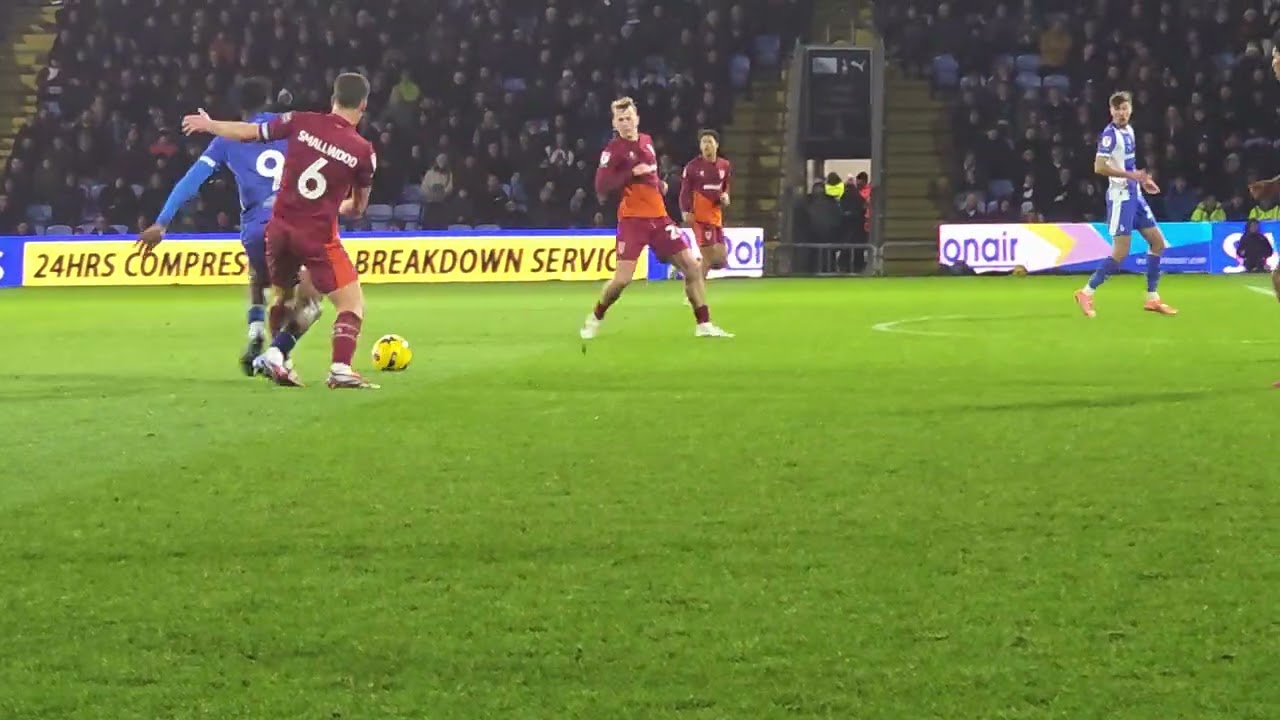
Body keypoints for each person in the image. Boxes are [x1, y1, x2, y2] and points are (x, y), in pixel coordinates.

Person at [181, 73, 379, 389]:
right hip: (316, 235)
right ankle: (340, 367)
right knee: (348, 304)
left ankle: (278, 359)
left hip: (279, 229)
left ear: (333, 99)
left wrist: (211, 125)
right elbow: (357, 208)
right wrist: (335, 206)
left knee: (284, 297)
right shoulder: (362, 151)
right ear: (364, 104)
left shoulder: (300, 121)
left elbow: (249, 132)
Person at [138, 78, 321, 375]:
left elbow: (191, 181)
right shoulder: (289, 127)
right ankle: (279, 354)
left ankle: (257, 333)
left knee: (259, 278)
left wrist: (162, 221)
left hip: (255, 230)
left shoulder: (226, 138)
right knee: (305, 299)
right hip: (293, 222)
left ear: (238, 106)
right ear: (268, 100)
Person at [580, 97, 732, 339]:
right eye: (620, 119)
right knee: (622, 280)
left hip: (659, 219)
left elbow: (649, 173)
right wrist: (630, 173)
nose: (625, 123)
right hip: (633, 221)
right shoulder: (613, 150)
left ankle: (704, 324)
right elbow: (601, 185)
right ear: (614, 123)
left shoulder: (647, 141)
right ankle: (596, 316)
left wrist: (657, 183)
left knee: (692, 267)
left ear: (637, 119)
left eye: (629, 118)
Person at [1074, 91, 1177, 318]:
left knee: (1158, 243)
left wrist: (1143, 180)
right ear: (1111, 111)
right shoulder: (1109, 135)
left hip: (1135, 194)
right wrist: (1131, 176)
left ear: (1130, 109)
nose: (1121, 113)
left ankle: (1152, 298)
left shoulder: (1129, 130)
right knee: (1121, 253)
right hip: (1120, 196)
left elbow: (1128, 164)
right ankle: (1086, 292)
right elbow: (1099, 167)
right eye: (1117, 109)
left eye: (1125, 108)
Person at [679, 129, 732, 280]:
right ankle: (694, 288)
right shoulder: (692, 167)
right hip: (700, 216)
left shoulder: (725, 165)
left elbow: (725, 186)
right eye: (703, 142)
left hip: (716, 216)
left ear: (717, 145)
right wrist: (685, 210)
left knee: (720, 261)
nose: (706, 145)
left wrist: (726, 196)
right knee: (708, 258)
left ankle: (691, 268)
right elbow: (685, 191)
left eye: (709, 141)